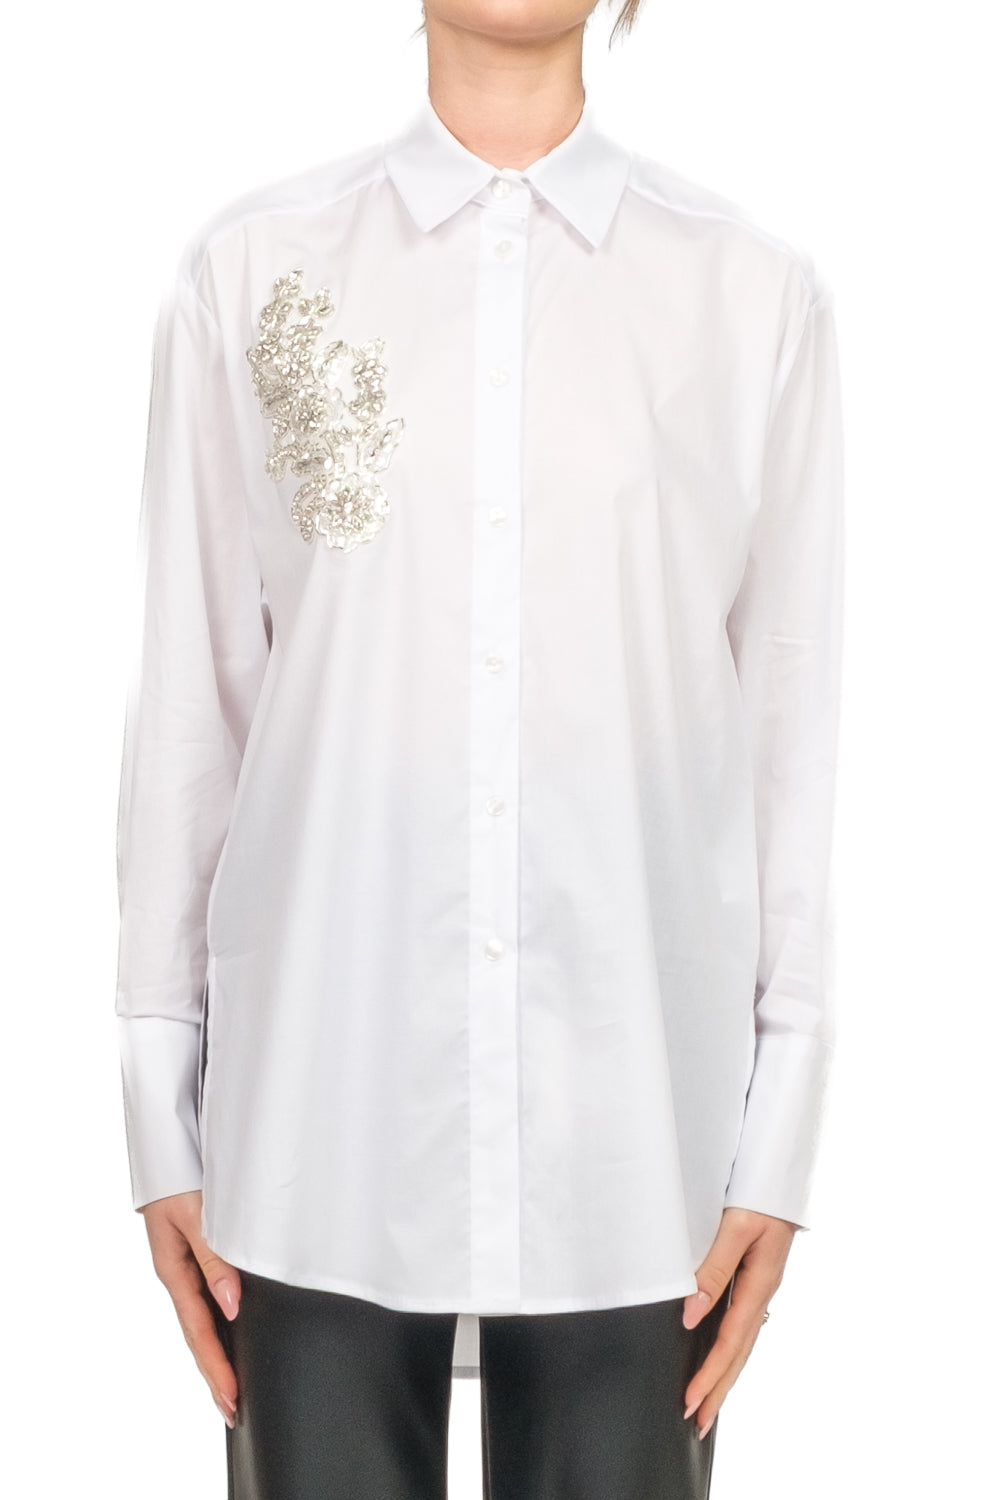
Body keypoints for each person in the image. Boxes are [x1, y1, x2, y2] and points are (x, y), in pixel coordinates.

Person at [115, 2, 845, 1496]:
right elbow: (196, 711)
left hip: (640, 1129)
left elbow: (788, 740)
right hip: (313, 1112)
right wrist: (155, 1102)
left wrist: (782, 1136)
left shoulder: (749, 295)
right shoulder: (255, 273)